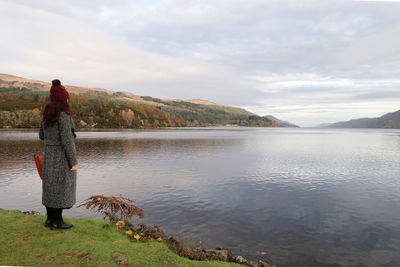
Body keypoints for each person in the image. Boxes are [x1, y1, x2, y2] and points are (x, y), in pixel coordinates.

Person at [39, 79, 78, 229]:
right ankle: (58, 221)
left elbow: (41, 136)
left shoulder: (46, 115)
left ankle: (49, 219)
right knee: (60, 188)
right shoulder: (64, 116)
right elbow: (68, 141)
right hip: (61, 157)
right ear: (64, 100)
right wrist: (73, 162)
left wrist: (51, 140)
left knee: (50, 187)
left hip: (49, 155)